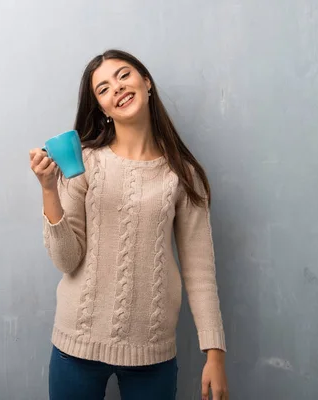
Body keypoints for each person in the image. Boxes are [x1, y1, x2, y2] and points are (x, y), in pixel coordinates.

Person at [29, 49, 229, 400]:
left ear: (146, 82)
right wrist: (49, 190)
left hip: (151, 352)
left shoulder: (183, 174)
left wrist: (214, 353)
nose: (117, 89)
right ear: (101, 108)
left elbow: (200, 271)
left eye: (123, 75)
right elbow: (66, 260)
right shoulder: (83, 163)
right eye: (103, 88)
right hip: (76, 345)